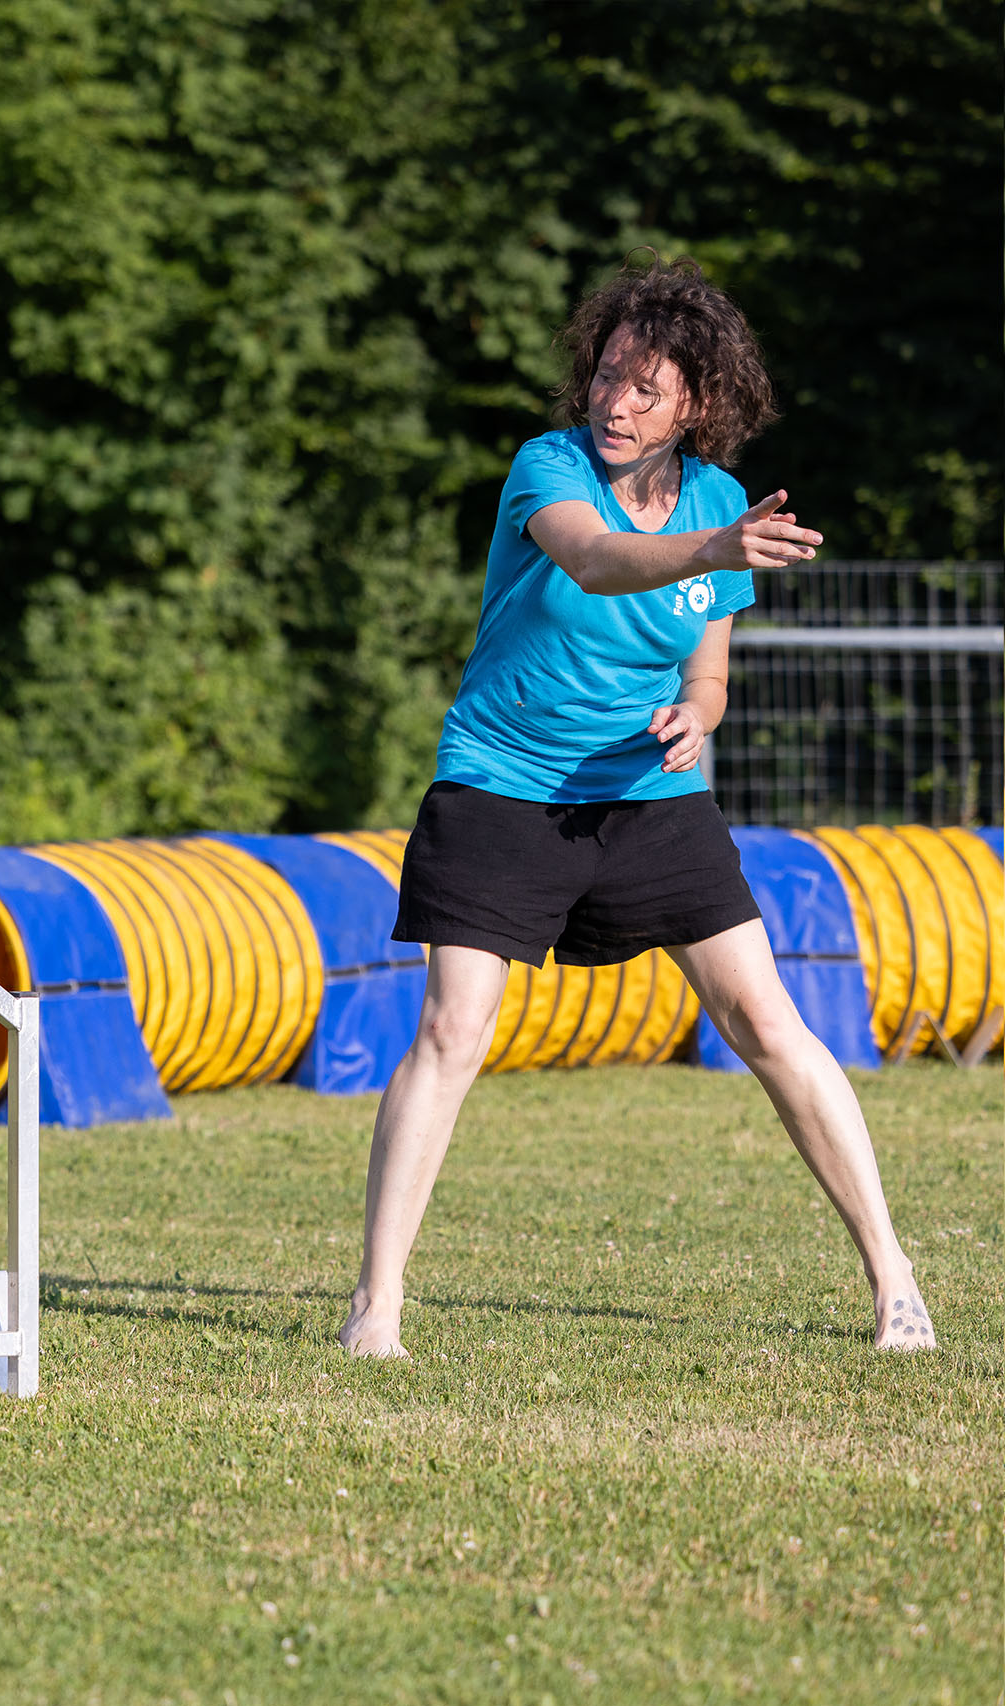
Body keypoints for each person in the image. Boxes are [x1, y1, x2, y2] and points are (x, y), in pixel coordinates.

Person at [338, 257, 937, 1358]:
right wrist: (710, 550)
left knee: (768, 1023)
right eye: (608, 375)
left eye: (645, 388)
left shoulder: (718, 501)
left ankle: (896, 1286)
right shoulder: (546, 468)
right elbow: (600, 560)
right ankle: (376, 1303)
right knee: (452, 1028)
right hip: (501, 782)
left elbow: (705, 669)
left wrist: (697, 716)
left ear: (696, 405)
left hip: (649, 796)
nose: (616, 403)